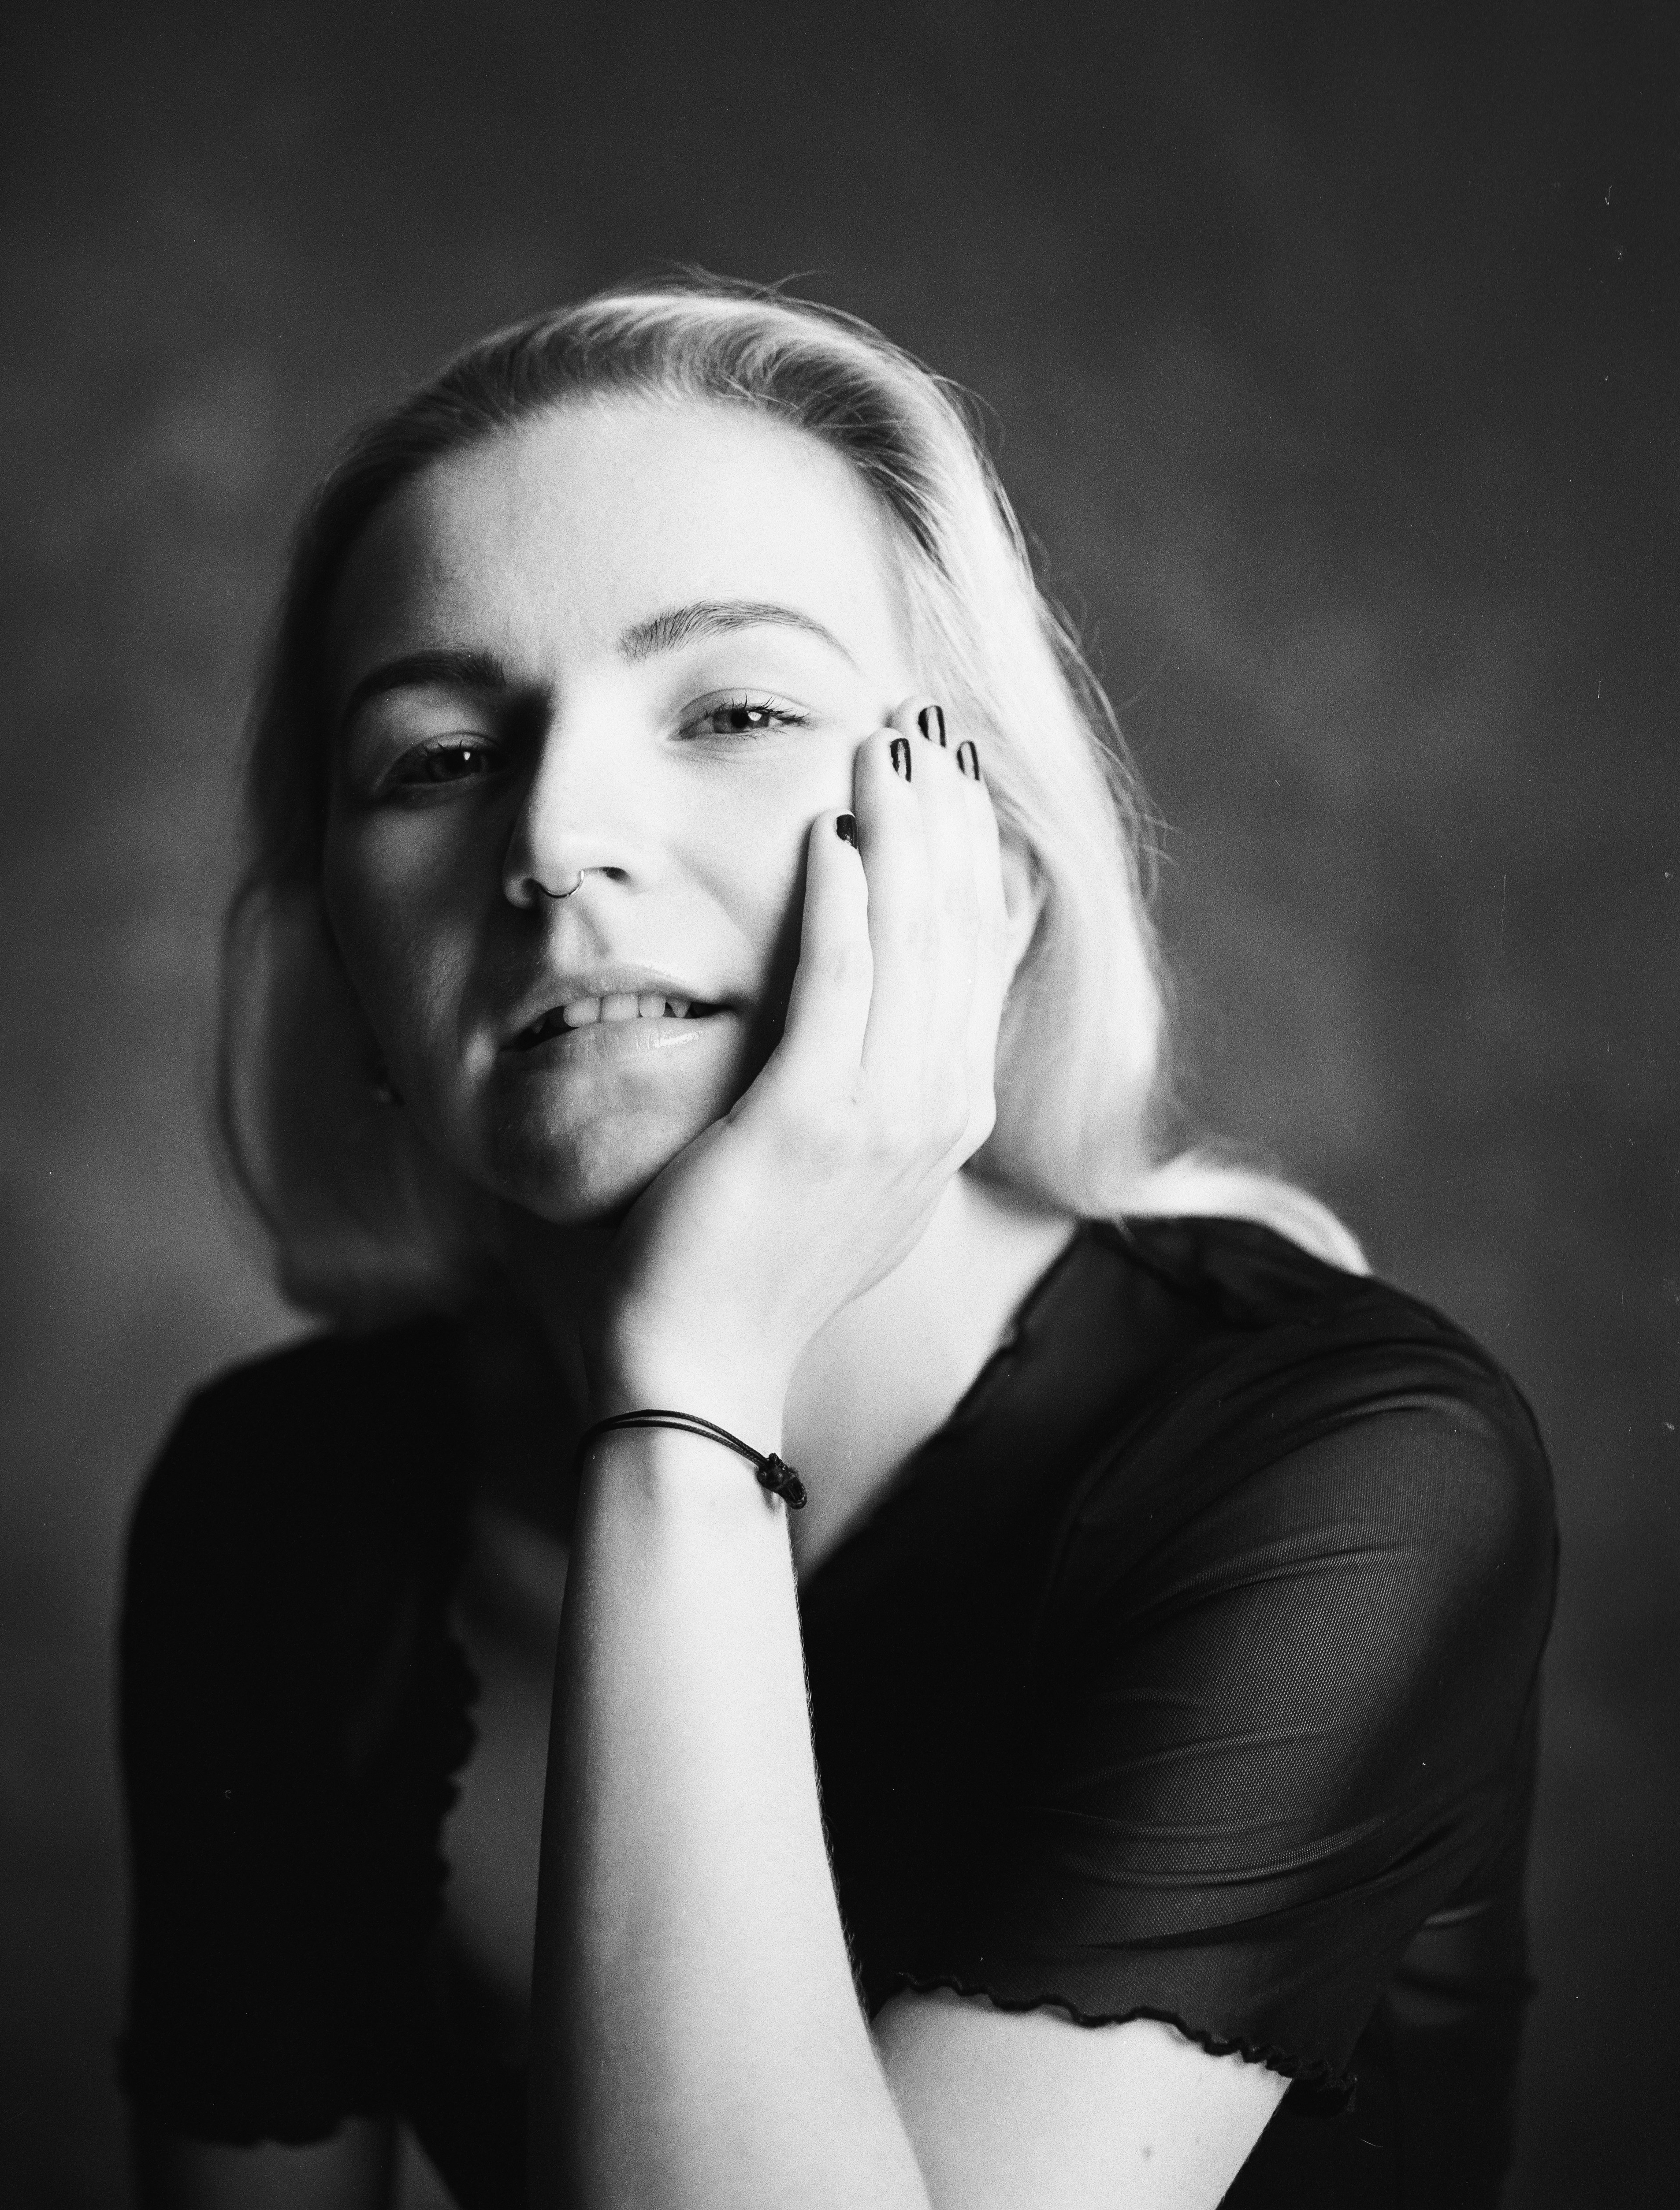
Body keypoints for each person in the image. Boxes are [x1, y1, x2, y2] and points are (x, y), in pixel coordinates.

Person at [116, 282, 1556, 2210]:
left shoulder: (1349, 1469)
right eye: (435, 759)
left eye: (733, 710)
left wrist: (686, 1390)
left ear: (986, 857)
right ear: (346, 955)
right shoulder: (279, 1501)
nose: (552, 836)